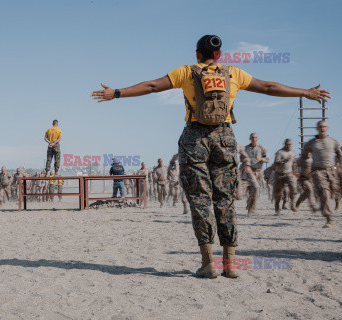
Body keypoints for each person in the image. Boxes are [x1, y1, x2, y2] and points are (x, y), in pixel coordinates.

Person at [90, 34, 331, 279]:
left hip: (194, 137)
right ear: (219, 55)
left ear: (197, 54)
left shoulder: (187, 72)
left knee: (199, 199)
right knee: (224, 199)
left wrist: (117, 93)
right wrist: (305, 92)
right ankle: (230, 264)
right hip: (225, 138)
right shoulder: (233, 73)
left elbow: (152, 86)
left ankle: (207, 264)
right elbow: (269, 87)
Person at [300, 121, 342, 227]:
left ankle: (327, 206)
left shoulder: (332, 142)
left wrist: (340, 165)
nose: (322, 128)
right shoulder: (311, 143)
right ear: (317, 128)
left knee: (334, 192)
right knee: (324, 192)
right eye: (320, 127)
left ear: (327, 128)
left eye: (324, 127)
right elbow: (303, 156)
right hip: (318, 171)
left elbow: (338, 152)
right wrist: (305, 168)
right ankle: (329, 218)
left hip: (332, 171)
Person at [244, 133, 269, 215]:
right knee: (252, 189)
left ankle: (251, 205)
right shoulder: (246, 148)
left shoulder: (261, 148)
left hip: (258, 172)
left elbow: (267, 159)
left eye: (255, 137)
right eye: (252, 137)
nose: (254, 139)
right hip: (249, 172)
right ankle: (250, 207)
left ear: (257, 139)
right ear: (250, 138)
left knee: (256, 192)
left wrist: (261, 159)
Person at [273, 139, 298, 215]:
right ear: (284, 144)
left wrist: (295, 172)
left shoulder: (293, 153)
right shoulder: (280, 152)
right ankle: (277, 206)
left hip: (289, 174)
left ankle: (292, 203)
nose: (288, 146)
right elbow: (276, 162)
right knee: (278, 194)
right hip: (279, 174)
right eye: (287, 144)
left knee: (293, 187)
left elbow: (294, 163)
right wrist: (284, 160)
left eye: (290, 144)